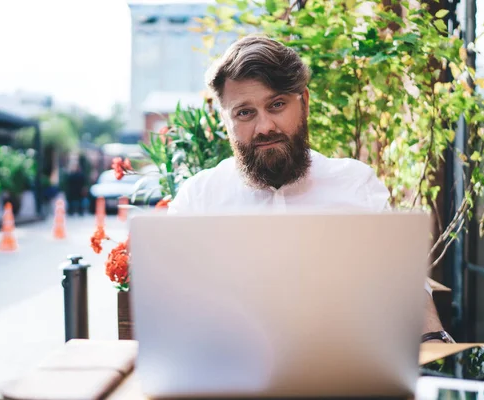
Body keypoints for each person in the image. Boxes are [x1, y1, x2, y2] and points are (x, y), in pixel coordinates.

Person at [168, 35, 451, 343]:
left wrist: (433, 342)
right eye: (244, 113)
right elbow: (175, 307)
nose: (264, 127)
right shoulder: (198, 199)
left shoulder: (357, 185)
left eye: (277, 105)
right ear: (226, 120)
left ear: (304, 102)